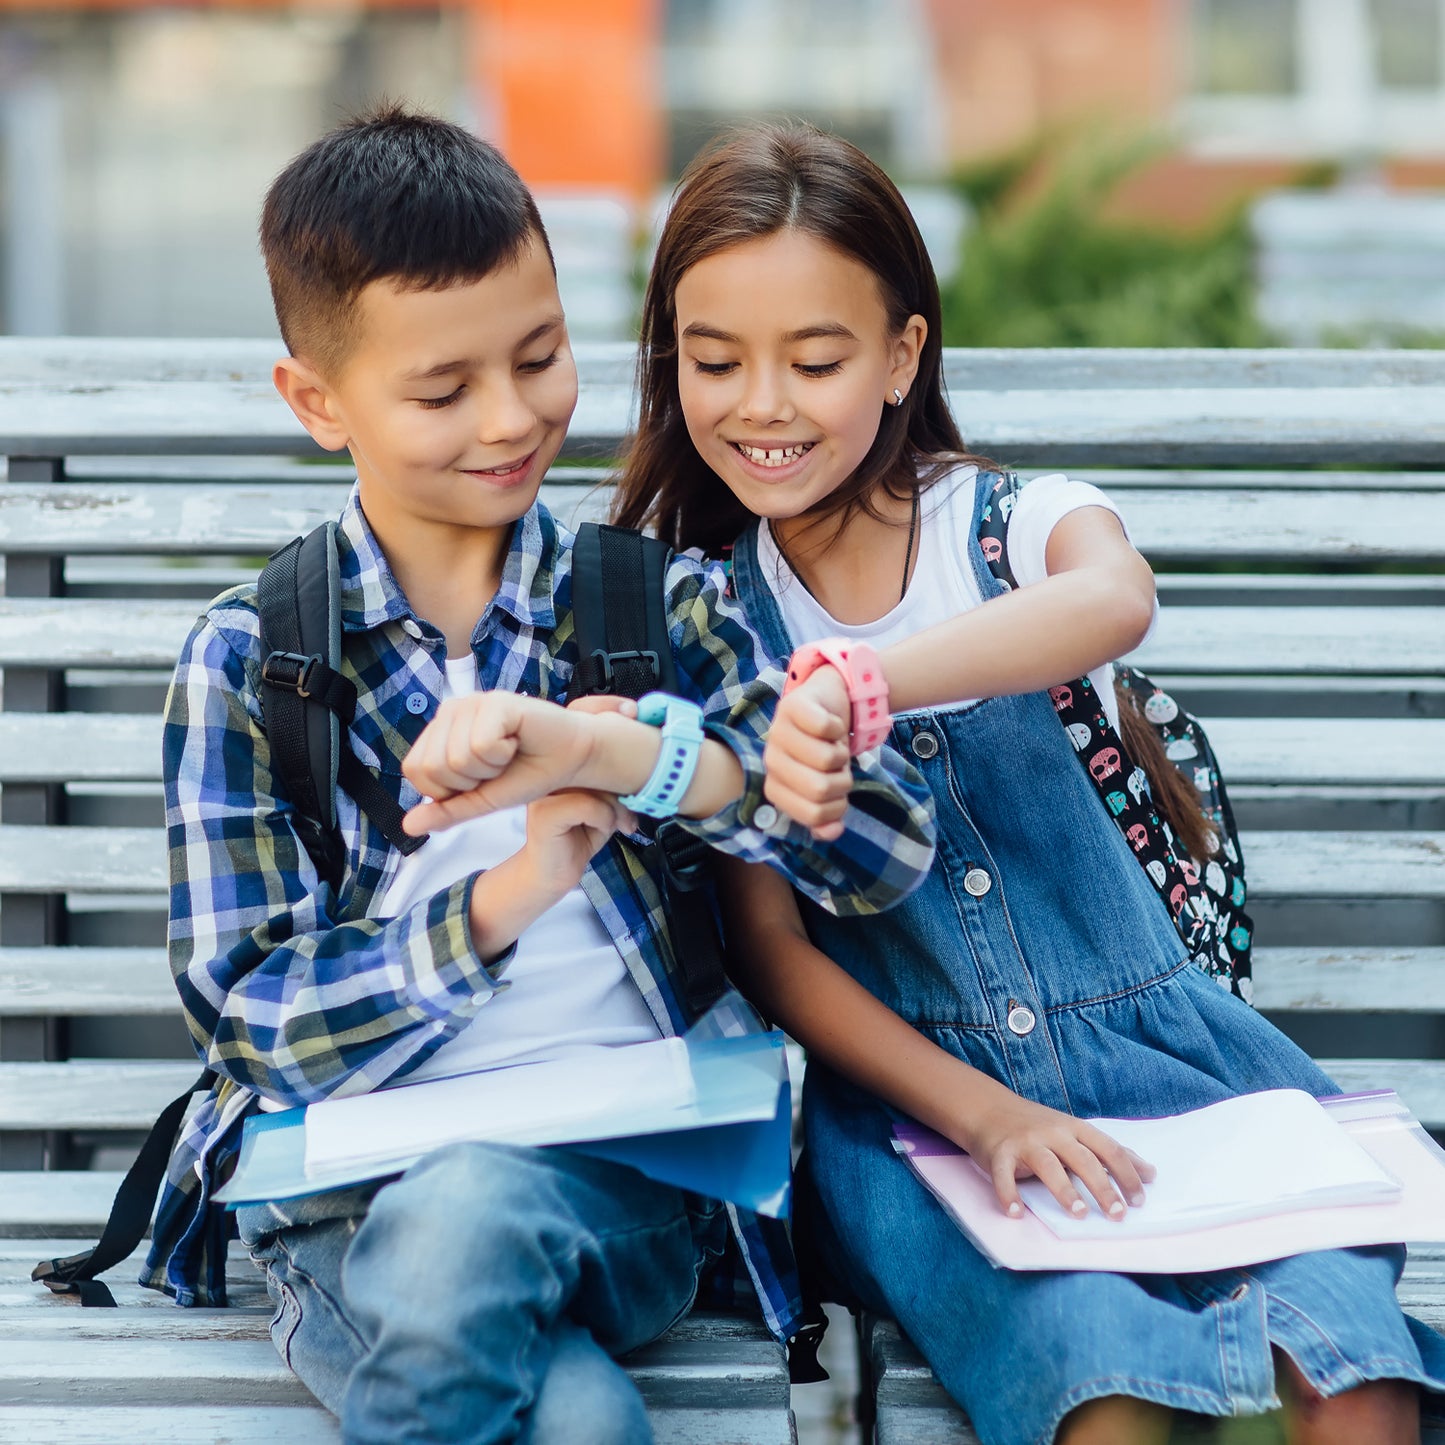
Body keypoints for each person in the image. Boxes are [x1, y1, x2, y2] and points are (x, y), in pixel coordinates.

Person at [611, 120, 1445, 1445]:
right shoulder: (705, 618)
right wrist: (987, 1114)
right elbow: (771, 953)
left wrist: (862, 682)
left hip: (1175, 1067)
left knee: (1351, 1367)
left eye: (814, 358)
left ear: (899, 354)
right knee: (1089, 1373)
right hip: (916, 1112)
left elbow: (1112, 596)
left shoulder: (1006, 522)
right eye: (714, 360)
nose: (760, 403)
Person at [144, 106, 936, 1445]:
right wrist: (505, 899)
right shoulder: (254, 658)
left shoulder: (647, 606)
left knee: (473, 1213)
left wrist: (635, 757)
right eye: (445, 390)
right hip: (347, 1207)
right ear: (317, 400)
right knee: (575, 1419)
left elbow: (878, 845)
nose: (513, 420)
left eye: (542, 356)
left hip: (621, 1182)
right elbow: (253, 1024)